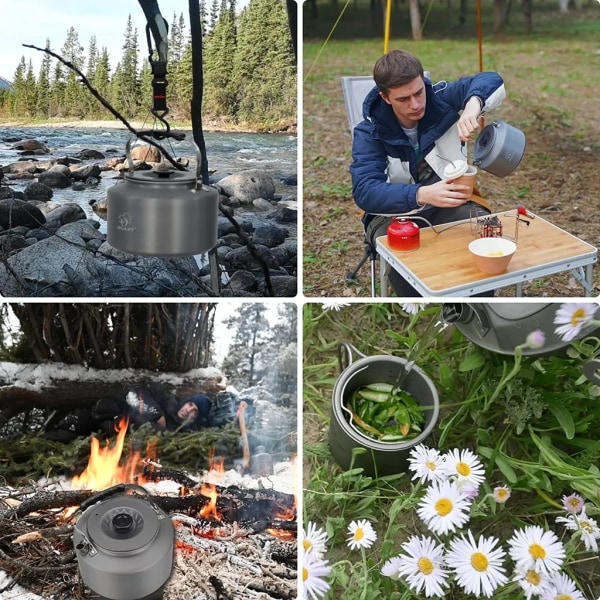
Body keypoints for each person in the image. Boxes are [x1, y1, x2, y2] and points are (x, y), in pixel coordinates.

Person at [349, 49, 506, 296]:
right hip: (392, 213)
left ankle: (470, 308)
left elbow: (491, 79)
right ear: (386, 97)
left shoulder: (441, 100)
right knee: (407, 272)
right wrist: (421, 194)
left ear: (423, 81)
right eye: (403, 99)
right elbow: (365, 191)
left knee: (484, 238)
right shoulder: (370, 132)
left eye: (418, 92)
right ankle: (422, 311)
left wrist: (472, 106)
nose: (415, 104)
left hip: (450, 200)